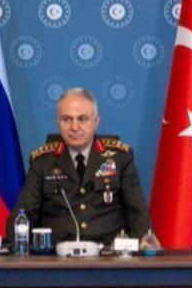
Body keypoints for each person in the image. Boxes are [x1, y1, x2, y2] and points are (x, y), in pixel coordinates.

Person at [8, 87, 150, 244]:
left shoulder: (120, 158)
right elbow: (24, 214)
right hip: (56, 259)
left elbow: (137, 213)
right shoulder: (43, 162)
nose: (74, 127)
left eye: (82, 119)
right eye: (67, 119)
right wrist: (16, 252)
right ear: (57, 122)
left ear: (96, 122)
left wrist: (142, 251)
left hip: (109, 257)